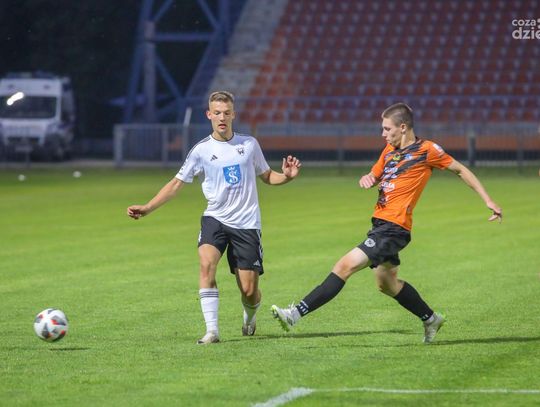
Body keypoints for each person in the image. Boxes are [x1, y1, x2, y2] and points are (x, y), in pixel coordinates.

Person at [271, 102, 502, 344]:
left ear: (403, 127)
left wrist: (488, 200)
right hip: (381, 225)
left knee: (344, 265)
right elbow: (375, 174)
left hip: (394, 228)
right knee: (387, 284)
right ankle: (431, 319)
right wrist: (368, 178)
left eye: (387, 128)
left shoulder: (427, 150)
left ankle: (294, 314)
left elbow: (461, 170)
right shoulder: (389, 150)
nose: (383, 134)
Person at [127, 91, 301, 344]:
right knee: (206, 264)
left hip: (246, 224)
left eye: (226, 113)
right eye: (217, 113)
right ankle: (212, 331)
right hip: (215, 219)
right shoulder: (201, 150)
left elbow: (267, 176)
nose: (222, 117)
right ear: (209, 115)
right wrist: (148, 207)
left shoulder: (249, 144)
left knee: (249, 291)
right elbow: (176, 184)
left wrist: (286, 176)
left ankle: (250, 317)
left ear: (233, 115)